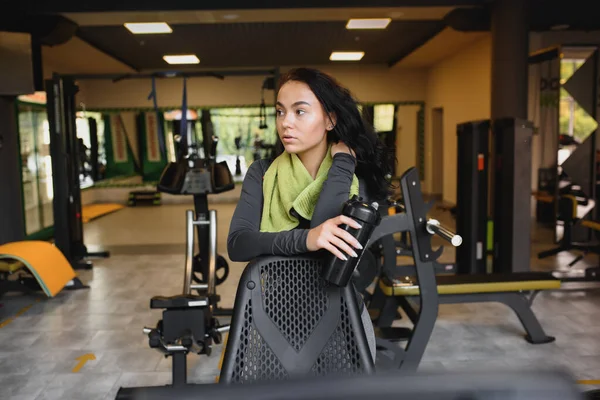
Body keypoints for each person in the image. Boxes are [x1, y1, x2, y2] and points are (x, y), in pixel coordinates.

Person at [227, 67, 393, 360]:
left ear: (330, 119)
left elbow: (328, 247)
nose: (285, 123)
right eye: (280, 112)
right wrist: (307, 239)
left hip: (343, 316)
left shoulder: (357, 177)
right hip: (274, 318)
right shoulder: (263, 173)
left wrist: (342, 163)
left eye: (299, 112)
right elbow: (239, 243)